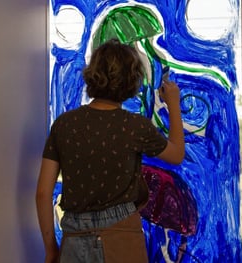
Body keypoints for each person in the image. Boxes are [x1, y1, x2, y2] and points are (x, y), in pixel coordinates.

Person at [36, 39, 185, 263]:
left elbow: (42, 194)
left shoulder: (64, 124)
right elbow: (176, 155)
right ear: (131, 81)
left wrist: (51, 250)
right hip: (121, 236)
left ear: (92, 74)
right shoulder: (134, 126)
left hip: (74, 238)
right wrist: (173, 103)